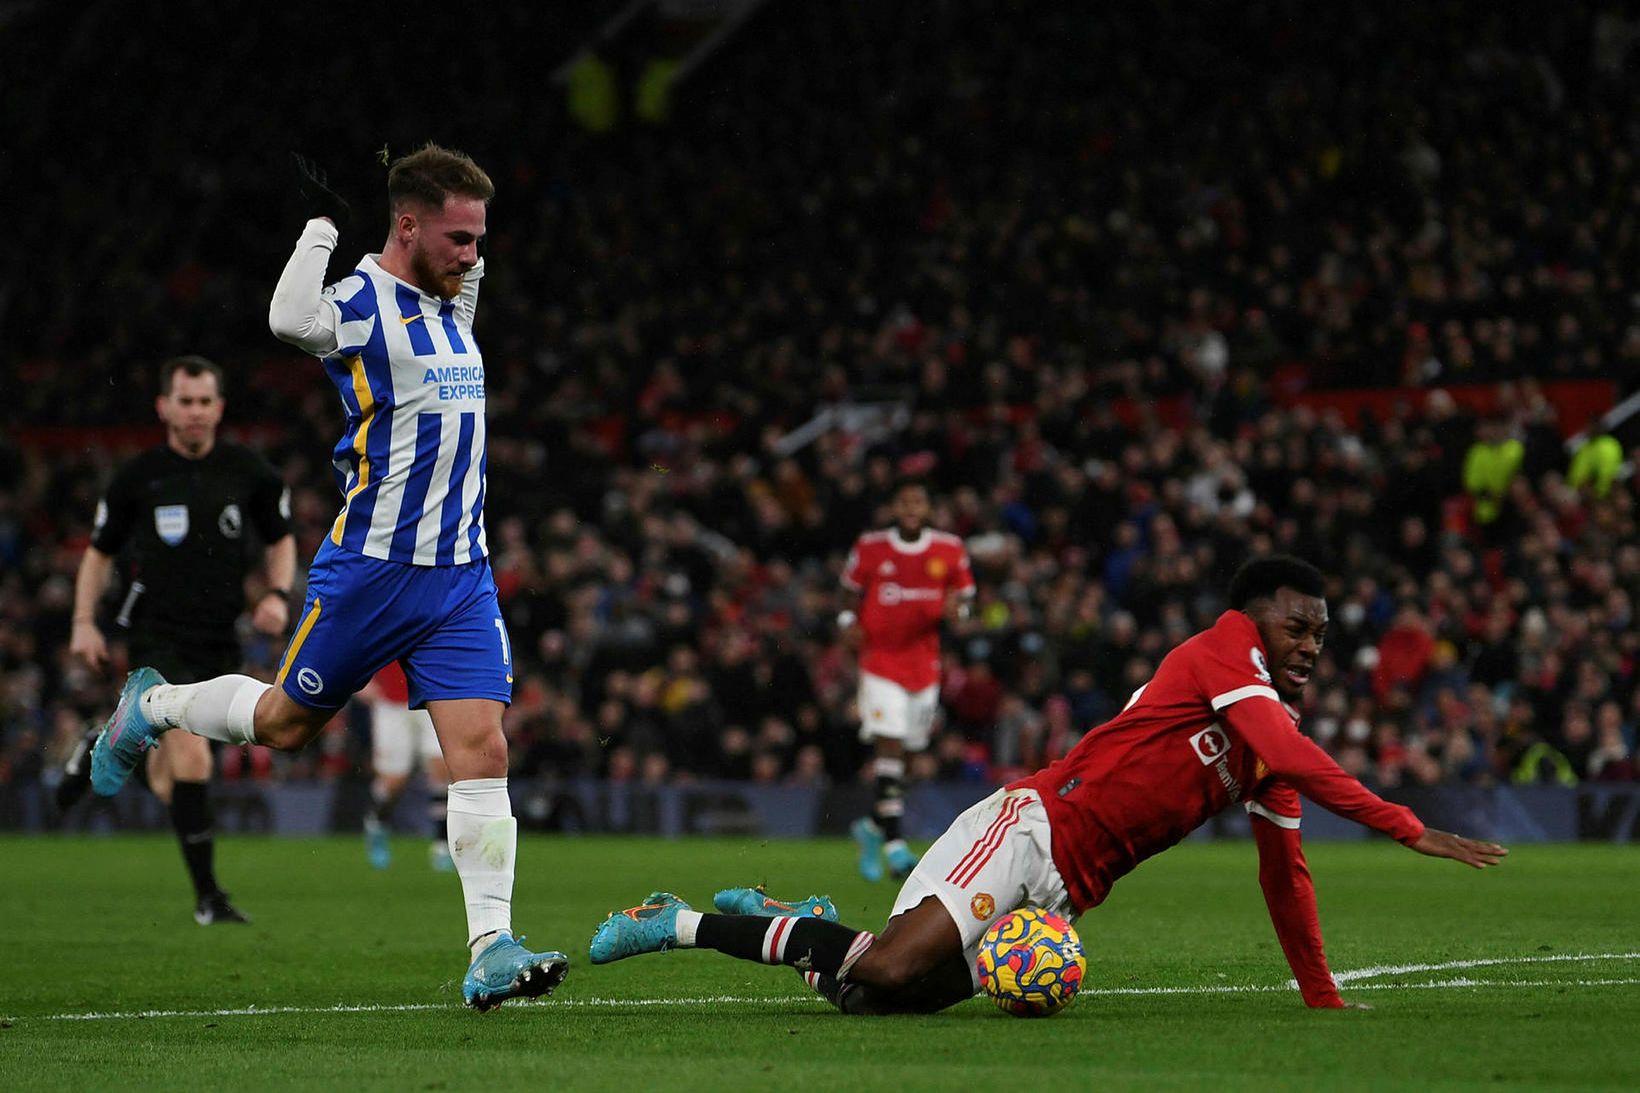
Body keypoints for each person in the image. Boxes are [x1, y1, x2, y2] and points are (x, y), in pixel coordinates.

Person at [588, 555, 1509, 1013]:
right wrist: (1402, 824)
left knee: (876, 994)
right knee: (891, 966)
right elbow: (1283, 743)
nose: (1311, 645)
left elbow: (1286, 874)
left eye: (1320, 635)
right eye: (1299, 627)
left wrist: (1323, 998)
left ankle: (790, 911)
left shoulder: (1277, 739)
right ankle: (674, 922)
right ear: (1257, 617)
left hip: (1064, 893)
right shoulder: (1225, 651)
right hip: (1031, 825)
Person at [90, 144, 570, 1011]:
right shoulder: (358, 303)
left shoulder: (453, 297)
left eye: (478, 240)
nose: (474, 255)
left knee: (484, 749)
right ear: (409, 226)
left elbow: (455, 260)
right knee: (283, 724)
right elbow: (286, 318)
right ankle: (152, 705)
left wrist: (453, 243)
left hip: (460, 575)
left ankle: (491, 946)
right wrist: (319, 228)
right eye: (459, 238)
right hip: (373, 571)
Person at [61, 355, 295, 925]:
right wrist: (83, 623)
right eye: (184, 401)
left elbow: (281, 538)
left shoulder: (250, 472)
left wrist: (278, 596)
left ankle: (108, 737)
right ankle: (209, 899)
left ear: (219, 407)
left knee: (174, 779)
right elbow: (99, 553)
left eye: (204, 401)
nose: (194, 412)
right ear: (164, 406)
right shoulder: (138, 478)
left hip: (220, 640)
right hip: (156, 636)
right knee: (192, 761)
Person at [837, 479, 974, 881]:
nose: (912, 507)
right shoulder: (871, 547)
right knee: (890, 746)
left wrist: (959, 614)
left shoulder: (948, 549)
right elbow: (849, 592)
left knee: (909, 759)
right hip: (880, 662)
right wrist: (847, 621)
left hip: (924, 665)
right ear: (895, 508)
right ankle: (896, 846)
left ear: (928, 509)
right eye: (904, 501)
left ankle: (872, 827)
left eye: (919, 501)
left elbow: (964, 601)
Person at [359, 661, 453, 871]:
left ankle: (442, 844)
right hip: (391, 703)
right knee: (393, 782)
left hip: (431, 696)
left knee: (440, 768)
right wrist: (355, 682)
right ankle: (376, 822)